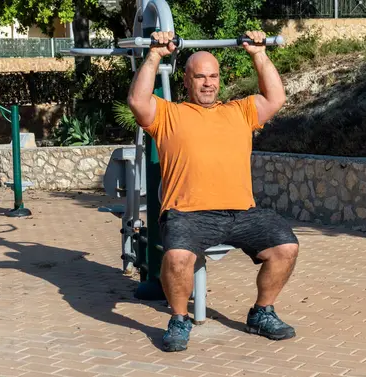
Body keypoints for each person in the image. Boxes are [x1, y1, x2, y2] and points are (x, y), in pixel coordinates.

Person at [127, 30, 300, 352]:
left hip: (241, 212)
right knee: (178, 257)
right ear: (187, 82)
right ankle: (179, 319)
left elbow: (276, 98)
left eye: (213, 76)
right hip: (188, 214)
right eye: (200, 77)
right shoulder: (168, 115)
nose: (208, 83)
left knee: (286, 247)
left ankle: (262, 312)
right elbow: (138, 100)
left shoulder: (240, 111)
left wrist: (259, 53)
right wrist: (154, 54)